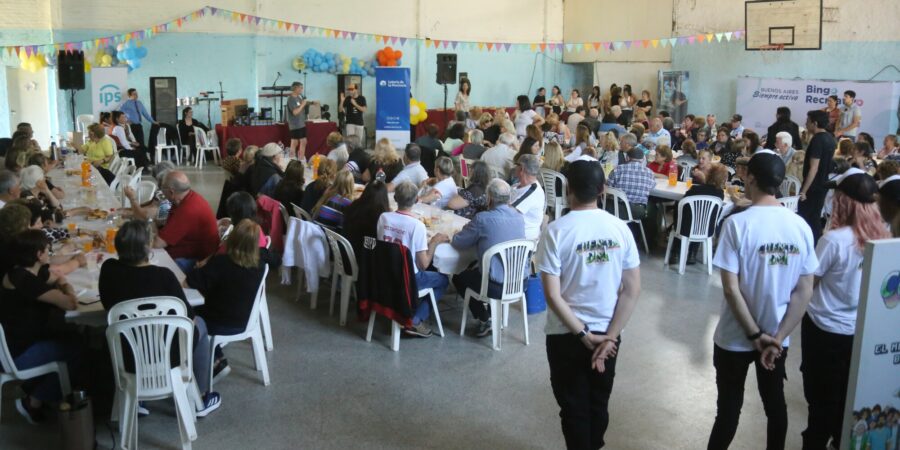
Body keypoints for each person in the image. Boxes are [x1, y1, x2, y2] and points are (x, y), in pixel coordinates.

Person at [707, 152, 818, 450]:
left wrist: (755, 336)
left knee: (728, 411)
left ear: (751, 178)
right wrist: (776, 338)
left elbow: (731, 289)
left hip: (734, 337)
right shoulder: (800, 227)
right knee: (775, 407)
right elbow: (805, 290)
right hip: (776, 338)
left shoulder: (737, 224)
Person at [536, 159, 641, 449]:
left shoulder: (556, 231)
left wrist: (583, 334)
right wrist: (610, 336)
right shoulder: (620, 229)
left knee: (573, 408)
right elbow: (632, 290)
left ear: (568, 188)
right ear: (602, 190)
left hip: (566, 334)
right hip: (609, 334)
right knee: (599, 402)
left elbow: (553, 295)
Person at [801, 170, 889, 449]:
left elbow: (808, 284)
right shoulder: (884, 238)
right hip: (859, 331)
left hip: (823, 330)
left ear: (844, 202)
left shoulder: (834, 240)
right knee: (846, 402)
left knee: (819, 404)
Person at [99, 220, 220, 416]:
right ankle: (200, 396)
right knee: (200, 324)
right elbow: (187, 317)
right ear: (147, 248)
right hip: (169, 356)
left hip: (125, 355)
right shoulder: (163, 276)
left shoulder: (109, 270)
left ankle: (138, 399)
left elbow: (108, 306)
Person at [0, 230, 83, 424]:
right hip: (17, 354)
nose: (49, 253)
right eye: (48, 250)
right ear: (38, 254)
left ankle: (45, 389)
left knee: (72, 333)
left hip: (18, 341)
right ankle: (35, 400)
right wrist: (66, 285)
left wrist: (59, 278)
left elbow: (51, 276)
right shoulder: (26, 281)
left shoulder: (18, 272)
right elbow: (70, 303)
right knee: (76, 345)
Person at [187, 219, 269, 385]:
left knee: (188, 314)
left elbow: (189, 283)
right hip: (246, 320)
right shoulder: (260, 266)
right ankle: (216, 356)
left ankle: (213, 363)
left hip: (219, 321)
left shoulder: (222, 263)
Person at [450, 179, 526, 336]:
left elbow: (459, 242)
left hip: (495, 285)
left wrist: (459, 232)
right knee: (483, 267)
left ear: (489, 198)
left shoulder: (483, 218)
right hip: (519, 282)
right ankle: (492, 315)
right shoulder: (519, 217)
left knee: (459, 277)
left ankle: (484, 318)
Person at [376, 182, 450, 337]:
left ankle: (407, 309)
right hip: (408, 279)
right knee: (443, 280)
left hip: (384, 273)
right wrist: (434, 242)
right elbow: (423, 265)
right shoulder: (417, 226)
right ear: (417, 199)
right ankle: (415, 320)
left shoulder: (384, 218)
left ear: (395, 197)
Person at [154, 171, 220, 272]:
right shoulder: (186, 197)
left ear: (171, 192)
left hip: (197, 261)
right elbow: (161, 223)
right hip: (189, 250)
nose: (161, 191)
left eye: (162, 188)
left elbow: (158, 244)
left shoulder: (188, 209)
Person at [799, 110, 837, 244]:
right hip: (823, 184)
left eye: (807, 121)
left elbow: (813, 168)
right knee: (814, 216)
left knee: (807, 218)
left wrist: (804, 190)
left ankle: (811, 245)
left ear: (814, 123)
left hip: (813, 186)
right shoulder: (830, 138)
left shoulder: (817, 140)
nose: (805, 124)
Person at [341, 180, 390, 255]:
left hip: (346, 254)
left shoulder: (353, 206)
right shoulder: (381, 218)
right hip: (364, 260)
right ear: (384, 198)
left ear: (365, 193)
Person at [607, 146, 655, 220]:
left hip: (615, 209)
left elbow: (608, 187)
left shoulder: (617, 169)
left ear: (627, 158)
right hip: (637, 211)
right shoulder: (650, 173)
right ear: (642, 160)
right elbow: (651, 187)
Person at [510, 154, 545, 240]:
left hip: (522, 240)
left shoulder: (533, 191)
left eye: (516, 165)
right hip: (513, 230)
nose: (514, 167)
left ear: (521, 168)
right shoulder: (518, 185)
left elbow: (509, 211)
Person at [286, 81, 310, 159]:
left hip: (301, 123)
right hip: (295, 125)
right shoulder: (291, 99)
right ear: (295, 88)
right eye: (301, 88)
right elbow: (295, 112)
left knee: (302, 142)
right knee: (295, 143)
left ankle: (300, 159)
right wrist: (303, 105)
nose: (302, 90)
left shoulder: (298, 97)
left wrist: (312, 103)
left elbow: (302, 104)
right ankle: (292, 159)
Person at [340, 83, 367, 148]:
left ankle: (358, 156)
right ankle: (350, 155)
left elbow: (364, 110)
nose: (350, 91)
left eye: (351, 89)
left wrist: (355, 104)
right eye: (349, 89)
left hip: (359, 123)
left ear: (356, 89)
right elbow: (340, 110)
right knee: (350, 142)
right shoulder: (347, 98)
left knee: (358, 142)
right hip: (350, 123)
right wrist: (342, 101)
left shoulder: (362, 98)